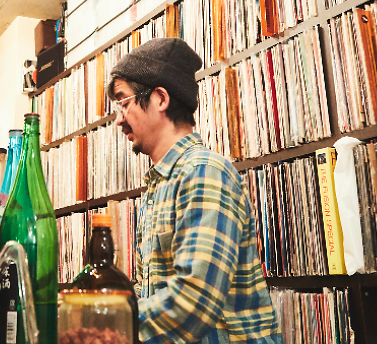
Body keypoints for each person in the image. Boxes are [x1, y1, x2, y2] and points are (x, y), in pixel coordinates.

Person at [108, 37, 278, 344]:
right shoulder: (161, 182)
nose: (119, 119)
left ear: (160, 98)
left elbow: (194, 300)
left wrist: (104, 326)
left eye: (123, 101)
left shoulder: (203, 172)